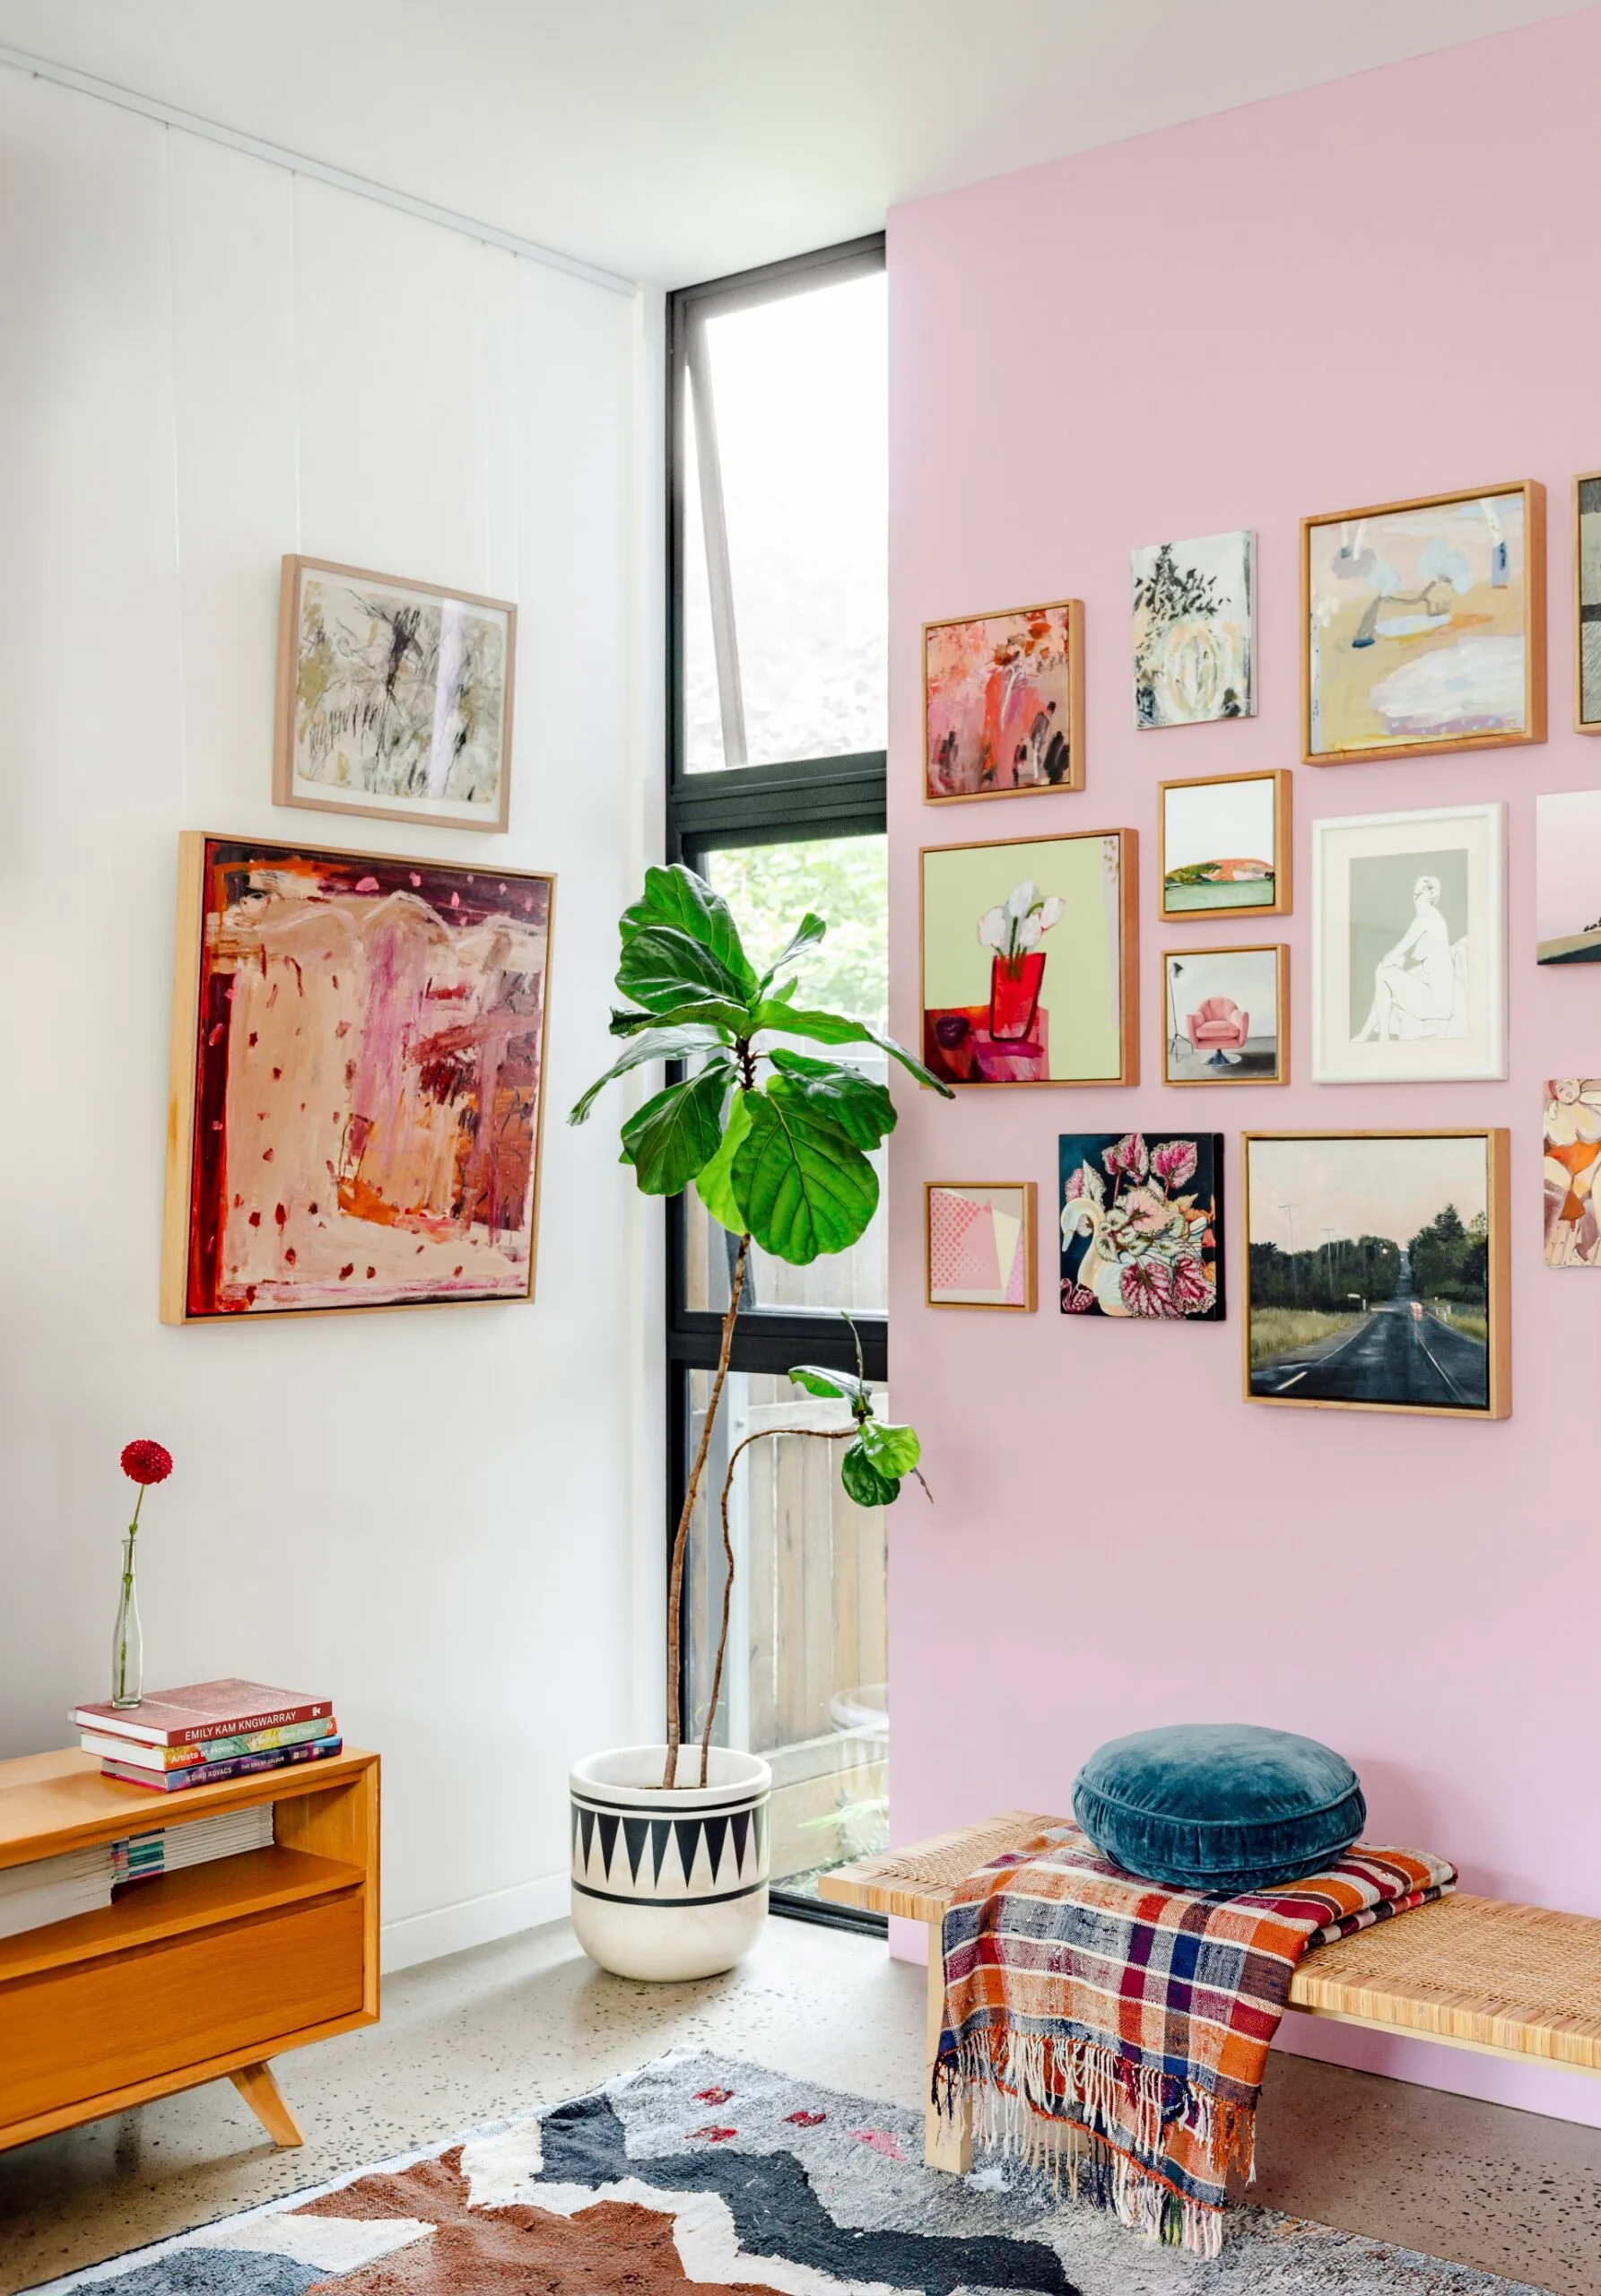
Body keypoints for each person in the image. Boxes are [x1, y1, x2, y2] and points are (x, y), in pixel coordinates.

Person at [1353, 875, 1456, 1041]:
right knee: (1387, 981)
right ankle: (1367, 1033)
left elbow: (1392, 956)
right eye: (1415, 895)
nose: (1416, 900)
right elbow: (1420, 954)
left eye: (1419, 895)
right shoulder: (1436, 919)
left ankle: (1381, 1037)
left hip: (1433, 1001)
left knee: (1383, 970)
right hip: (1440, 1000)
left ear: (1431, 896)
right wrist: (1399, 961)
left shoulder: (1424, 920)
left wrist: (1395, 960)